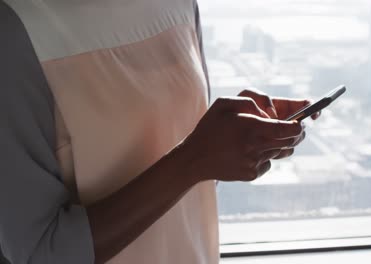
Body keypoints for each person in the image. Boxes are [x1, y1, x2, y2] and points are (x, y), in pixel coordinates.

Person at [0, 1, 319, 263]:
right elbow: (38, 252)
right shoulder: (14, 29)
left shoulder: (179, 4)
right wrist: (195, 159)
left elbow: (185, 175)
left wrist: (234, 141)